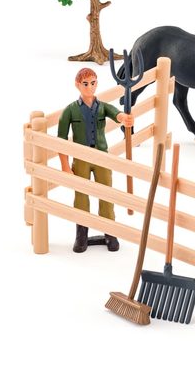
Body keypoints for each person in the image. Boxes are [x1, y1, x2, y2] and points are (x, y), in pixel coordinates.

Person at [58, 68, 134, 252]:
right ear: (77, 85)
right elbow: (61, 140)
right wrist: (65, 165)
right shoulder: (70, 110)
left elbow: (116, 113)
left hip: (101, 157)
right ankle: (81, 235)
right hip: (81, 158)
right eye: (85, 84)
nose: (89, 87)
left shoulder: (102, 107)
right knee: (81, 196)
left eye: (93, 83)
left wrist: (124, 118)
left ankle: (110, 233)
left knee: (106, 194)